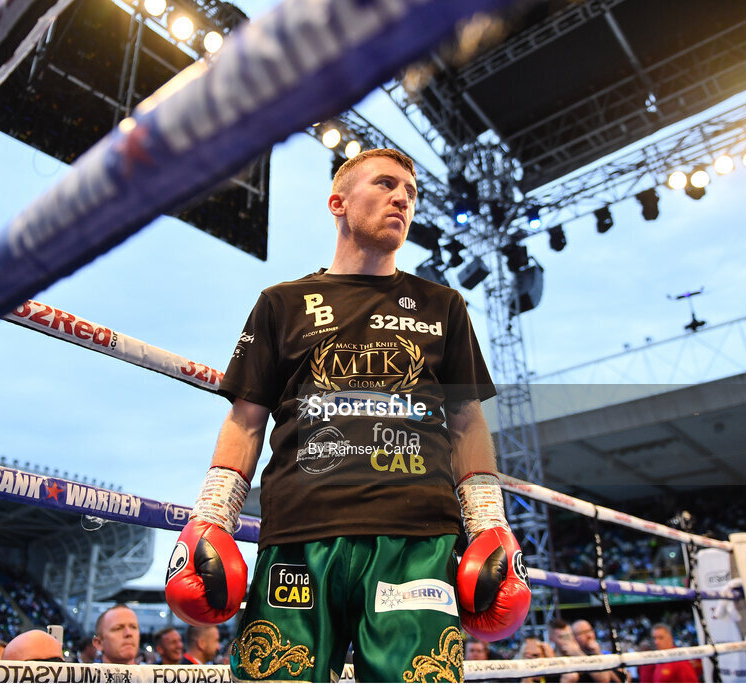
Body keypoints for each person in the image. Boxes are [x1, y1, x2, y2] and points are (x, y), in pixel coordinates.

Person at [165, 148, 531, 682]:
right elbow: (246, 420)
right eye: (385, 184)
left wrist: (489, 524)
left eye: (410, 192)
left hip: (418, 542)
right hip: (298, 535)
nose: (402, 197)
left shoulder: (443, 306)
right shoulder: (282, 303)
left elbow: (467, 422)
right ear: (337, 202)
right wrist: (211, 517)